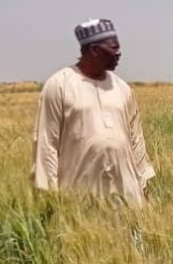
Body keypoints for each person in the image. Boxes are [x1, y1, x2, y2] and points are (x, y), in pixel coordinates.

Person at [31, 18, 156, 207]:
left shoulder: (122, 89)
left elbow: (136, 140)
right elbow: (47, 142)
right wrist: (50, 196)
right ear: (95, 50)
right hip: (79, 196)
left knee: (130, 236)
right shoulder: (59, 85)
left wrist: (143, 183)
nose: (119, 53)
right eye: (113, 48)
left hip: (127, 195)